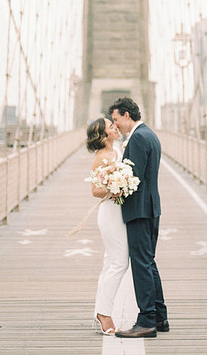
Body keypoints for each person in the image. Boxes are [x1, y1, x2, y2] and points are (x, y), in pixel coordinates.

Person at [109, 97, 168, 339]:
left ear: (126, 115)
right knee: (149, 262)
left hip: (140, 210)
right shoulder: (148, 134)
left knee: (141, 264)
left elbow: (133, 178)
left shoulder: (139, 138)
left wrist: (113, 185)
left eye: (116, 120)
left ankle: (146, 321)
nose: (116, 125)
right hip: (150, 207)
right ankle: (159, 316)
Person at [85, 116, 129, 336]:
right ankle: (104, 314)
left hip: (120, 212)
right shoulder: (101, 156)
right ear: (103, 136)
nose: (116, 127)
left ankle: (100, 310)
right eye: (111, 126)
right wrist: (116, 188)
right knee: (119, 262)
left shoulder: (117, 149)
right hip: (111, 214)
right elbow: (95, 190)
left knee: (111, 261)